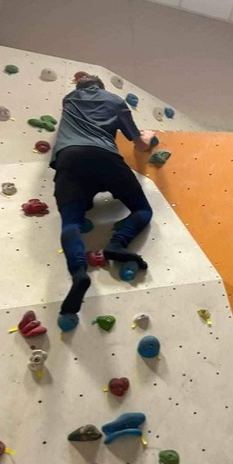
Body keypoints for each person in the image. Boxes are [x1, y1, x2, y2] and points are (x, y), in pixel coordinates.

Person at [50, 75, 156, 329]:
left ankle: (79, 273)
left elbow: (81, 91)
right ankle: (117, 245)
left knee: (71, 223)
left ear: (79, 87)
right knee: (142, 209)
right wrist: (149, 136)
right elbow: (140, 145)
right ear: (102, 86)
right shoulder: (116, 101)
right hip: (105, 157)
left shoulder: (69, 100)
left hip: (69, 158)